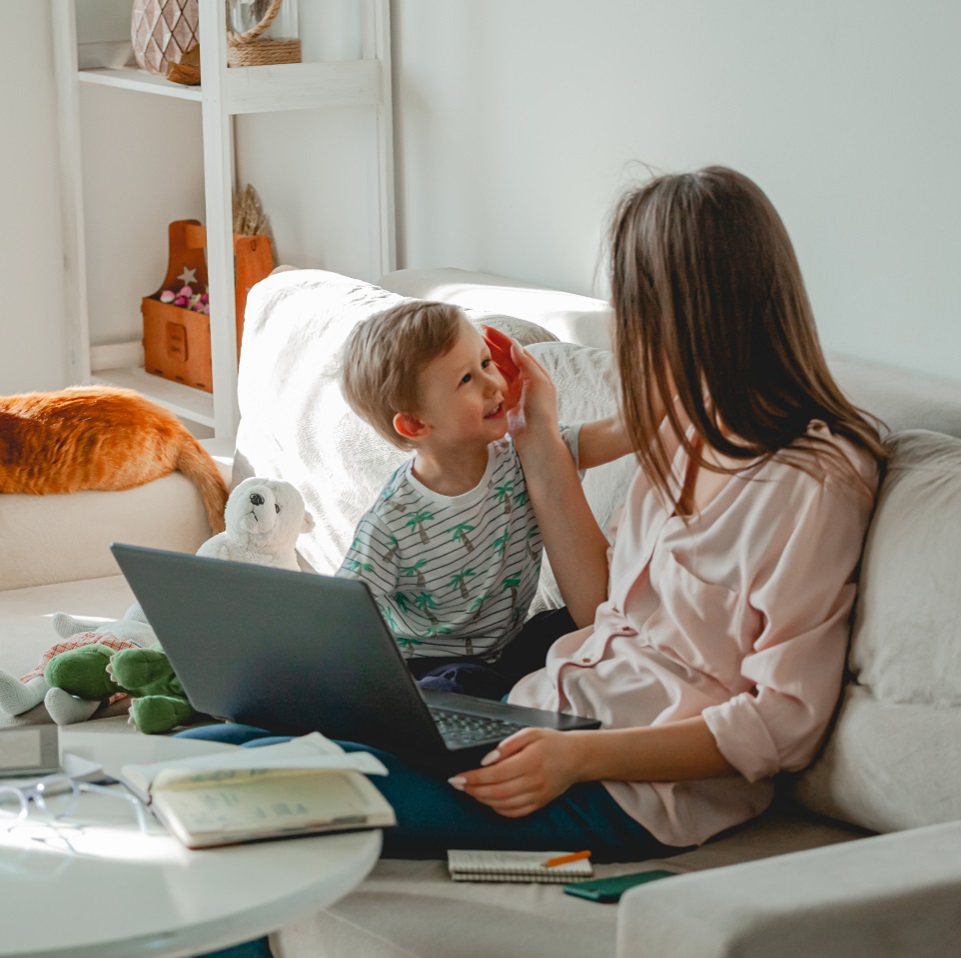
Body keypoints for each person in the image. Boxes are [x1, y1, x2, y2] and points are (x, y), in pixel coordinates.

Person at [185, 165, 886, 958]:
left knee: (234, 809)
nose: (630, 329)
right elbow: (602, 612)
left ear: (697, 311)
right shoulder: (683, 428)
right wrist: (535, 432)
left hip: (626, 789)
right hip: (543, 713)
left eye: (639, 306)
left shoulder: (816, 477)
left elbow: (781, 723)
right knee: (208, 752)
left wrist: (577, 757)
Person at [334, 300, 625, 699]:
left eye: (486, 363)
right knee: (449, 685)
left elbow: (607, 435)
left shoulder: (521, 455)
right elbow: (343, 610)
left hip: (508, 648)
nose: (493, 385)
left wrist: (683, 407)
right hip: (429, 664)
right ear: (416, 424)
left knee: (591, 629)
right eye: (467, 379)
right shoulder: (393, 520)